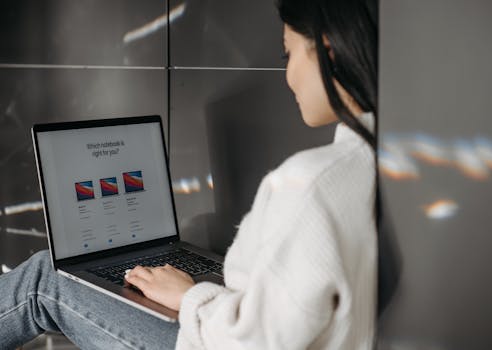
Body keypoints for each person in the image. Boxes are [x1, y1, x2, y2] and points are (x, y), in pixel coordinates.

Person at [0, 0, 378, 348]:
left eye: (289, 53)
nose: (288, 74)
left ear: (326, 50)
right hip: (225, 316)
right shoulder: (374, 159)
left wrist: (189, 296)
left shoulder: (307, 183)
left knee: (43, 278)